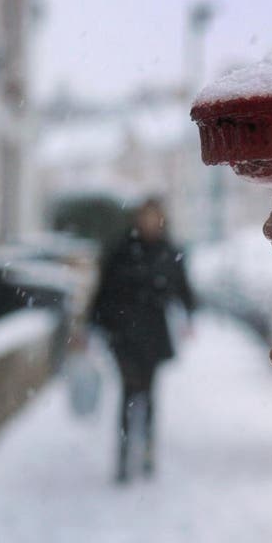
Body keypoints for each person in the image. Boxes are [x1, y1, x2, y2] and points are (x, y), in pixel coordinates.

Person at [89, 197, 196, 483]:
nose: (149, 222)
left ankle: (147, 449)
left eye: (154, 217)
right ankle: (124, 454)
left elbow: (183, 289)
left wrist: (189, 316)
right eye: (145, 217)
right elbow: (102, 291)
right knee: (128, 391)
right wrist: (93, 325)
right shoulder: (121, 250)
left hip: (153, 333)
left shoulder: (168, 251)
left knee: (148, 393)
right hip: (122, 333)